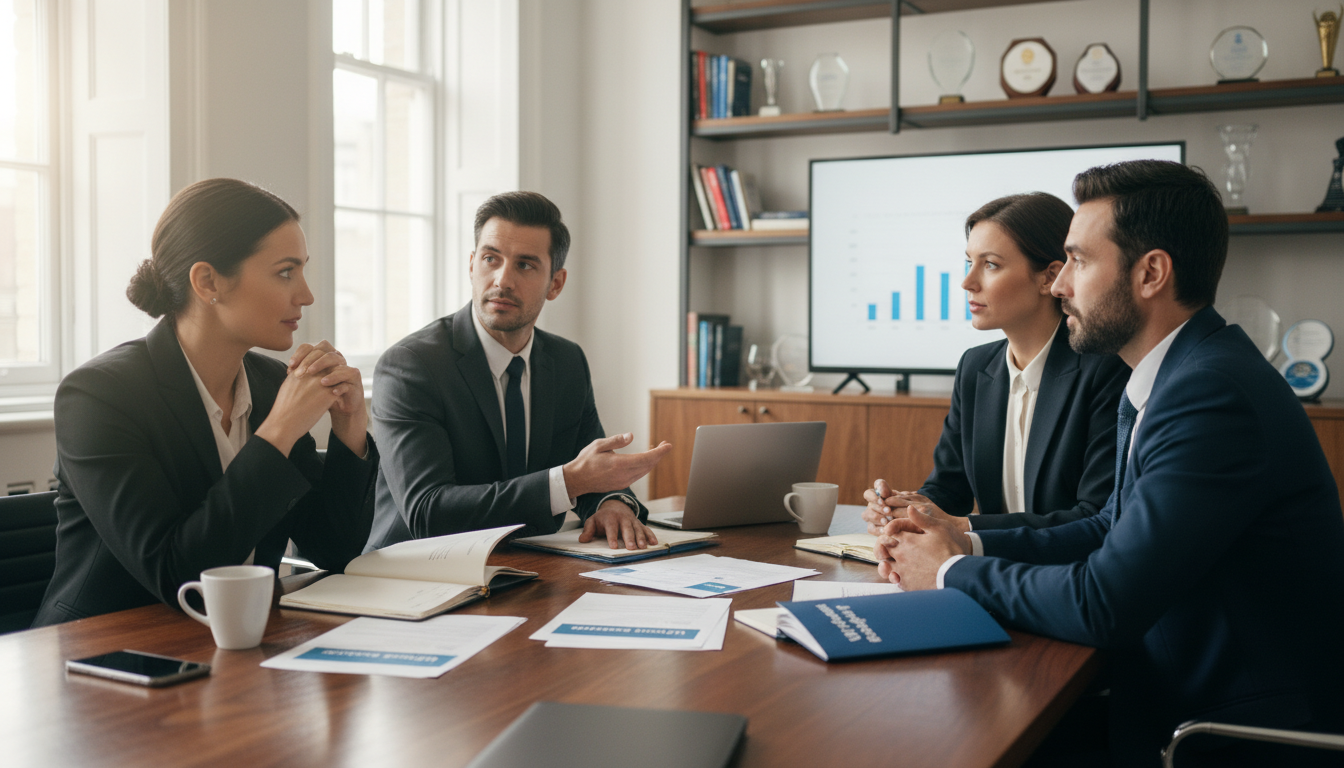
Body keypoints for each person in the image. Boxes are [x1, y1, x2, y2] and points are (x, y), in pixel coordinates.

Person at [877, 160, 1344, 767]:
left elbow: (1105, 602)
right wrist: (964, 544)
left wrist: (947, 574)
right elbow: (1107, 528)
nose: (1061, 283)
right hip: (1170, 688)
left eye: (1079, 260)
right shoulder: (1170, 374)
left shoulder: (1210, 394)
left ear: (1151, 273)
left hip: (1225, 731)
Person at [34, 178, 377, 627]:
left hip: (238, 640)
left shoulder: (273, 383)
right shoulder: (99, 397)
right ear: (208, 280)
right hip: (109, 652)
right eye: (285, 272)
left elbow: (335, 549)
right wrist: (278, 431)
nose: (306, 295)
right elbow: (178, 575)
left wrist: (349, 429)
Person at [366, 191, 670, 552]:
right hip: (414, 577)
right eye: (490, 259)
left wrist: (611, 503)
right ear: (471, 265)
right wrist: (568, 483)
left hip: (530, 566)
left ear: (555, 283)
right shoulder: (411, 366)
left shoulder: (566, 361)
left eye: (525, 265)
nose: (502, 279)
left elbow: (592, 468)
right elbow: (428, 513)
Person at [863, 193, 1128, 535]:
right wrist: (905, 508)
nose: (967, 282)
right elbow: (948, 490)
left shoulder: (1106, 369)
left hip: (1063, 575)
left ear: (1049, 278)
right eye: (969, 262)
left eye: (990, 264)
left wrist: (963, 527)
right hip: (987, 567)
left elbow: (1095, 516)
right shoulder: (976, 367)